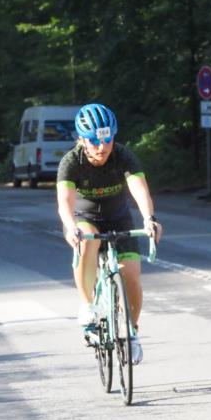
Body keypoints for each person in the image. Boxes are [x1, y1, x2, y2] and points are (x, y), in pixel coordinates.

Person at [56, 103, 162, 365]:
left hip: (118, 218)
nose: (101, 147)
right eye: (94, 141)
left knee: (131, 276)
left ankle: (131, 333)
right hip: (85, 219)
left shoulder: (123, 156)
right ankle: (87, 305)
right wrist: (70, 226)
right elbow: (65, 202)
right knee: (86, 241)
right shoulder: (71, 162)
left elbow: (139, 189)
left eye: (107, 139)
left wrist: (149, 219)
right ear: (82, 139)